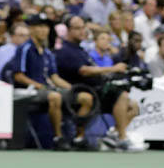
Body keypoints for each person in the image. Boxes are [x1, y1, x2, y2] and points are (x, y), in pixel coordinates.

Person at [55, 15, 141, 151]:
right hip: (81, 90)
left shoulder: (81, 50)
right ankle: (122, 139)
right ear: (68, 30)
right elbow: (84, 71)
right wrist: (112, 68)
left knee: (134, 106)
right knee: (122, 95)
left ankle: (112, 135)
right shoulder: (65, 51)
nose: (82, 31)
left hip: (97, 90)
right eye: (77, 28)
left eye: (83, 27)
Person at [9, 16, 77, 151]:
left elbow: (54, 77)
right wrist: (39, 86)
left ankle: (78, 137)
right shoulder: (25, 49)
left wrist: (72, 88)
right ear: (32, 30)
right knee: (55, 97)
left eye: (45, 27)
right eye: (39, 27)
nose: (43, 30)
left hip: (46, 90)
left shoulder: (47, 52)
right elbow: (18, 76)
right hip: (27, 92)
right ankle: (58, 138)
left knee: (83, 97)